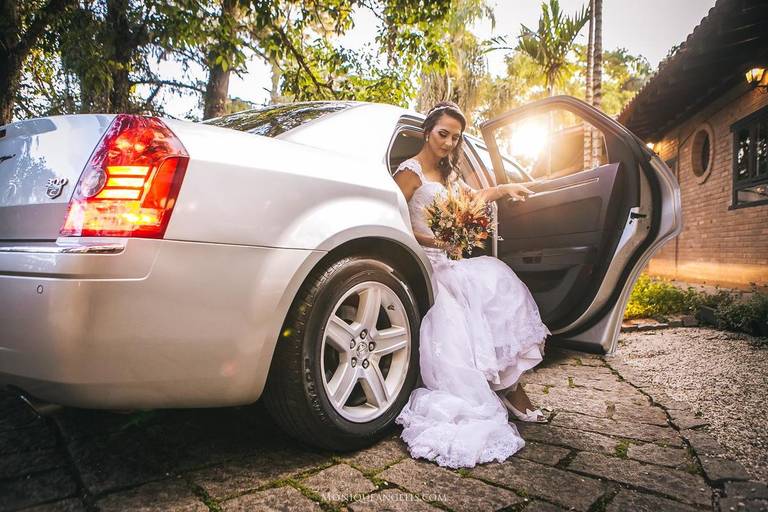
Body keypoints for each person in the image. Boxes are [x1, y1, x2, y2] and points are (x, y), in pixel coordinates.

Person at [393, 101, 551, 469]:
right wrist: (435, 242)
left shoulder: (449, 176)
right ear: (427, 132)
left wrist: (506, 188)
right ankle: (502, 394)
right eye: (442, 134)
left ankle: (511, 388)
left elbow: (474, 198)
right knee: (468, 304)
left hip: (452, 262)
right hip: (425, 263)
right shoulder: (409, 173)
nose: (448, 143)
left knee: (495, 282)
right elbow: (395, 222)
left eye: (454, 137)